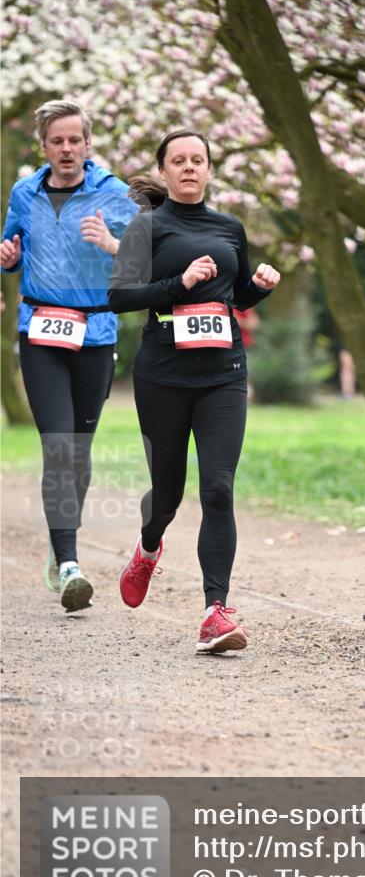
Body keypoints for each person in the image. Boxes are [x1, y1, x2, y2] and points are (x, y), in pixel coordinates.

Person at [108, 129, 280, 653]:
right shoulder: (147, 227)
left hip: (224, 374)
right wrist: (177, 285)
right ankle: (149, 545)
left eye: (197, 160)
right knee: (168, 494)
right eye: (177, 160)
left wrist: (260, 288)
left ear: (208, 169)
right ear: (163, 172)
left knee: (219, 488)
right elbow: (118, 298)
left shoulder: (229, 227)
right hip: (162, 375)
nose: (188, 167)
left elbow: (236, 299)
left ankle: (215, 611)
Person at [0, 99, 137, 611]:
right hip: (39, 332)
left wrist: (111, 244)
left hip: (95, 333)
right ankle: (69, 560)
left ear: (87, 144)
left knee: (78, 451)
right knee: (58, 446)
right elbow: (11, 247)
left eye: (74, 139)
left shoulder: (114, 194)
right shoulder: (23, 192)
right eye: (56, 141)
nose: (66, 149)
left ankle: (62, 549)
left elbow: (145, 255)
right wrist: (8, 257)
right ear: (43, 147)